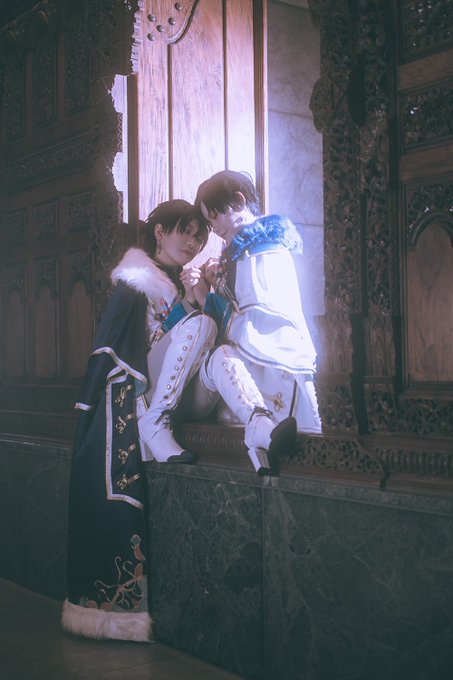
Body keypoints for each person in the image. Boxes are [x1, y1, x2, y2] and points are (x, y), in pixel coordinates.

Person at [63, 198, 296, 643]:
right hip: (148, 398)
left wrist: (201, 296)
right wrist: (188, 307)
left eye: (199, 235)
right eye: (184, 231)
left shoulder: (180, 282)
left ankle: (258, 425)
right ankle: (156, 423)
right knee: (202, 327)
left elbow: (204, 346)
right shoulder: (137, 281)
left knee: (221, 352)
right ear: (160, 231)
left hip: (181, 391)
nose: (192, 241)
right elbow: (135, 350)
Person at [194, 169, 322, 435]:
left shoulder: (263, 250)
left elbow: (261, 315)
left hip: (275, 356)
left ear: (239, 201)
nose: (214, 228)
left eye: (215, 216)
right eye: (209, 222)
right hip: (252, 356)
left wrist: (209, 298)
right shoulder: (243, 251)